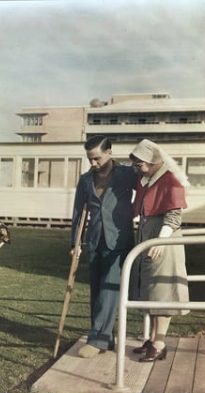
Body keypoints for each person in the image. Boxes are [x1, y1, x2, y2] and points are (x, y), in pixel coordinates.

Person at [71, 135, 137, 358]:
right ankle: (105, 338)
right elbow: (79, 213)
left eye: (97, 158)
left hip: (119, 240)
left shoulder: (128, 174)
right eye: (90, 159)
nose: (93, 163)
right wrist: (75, 243)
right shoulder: (85, 179)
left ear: (109, 152)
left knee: (109, 288)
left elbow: (148, 188)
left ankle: (97, 339)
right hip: (94, 239)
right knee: (97, 290)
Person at [129, 139, 189, 362]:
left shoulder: (169, 181)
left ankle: (160, 343)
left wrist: (161, 241)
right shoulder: (148, 179)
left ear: (153, 162)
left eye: (140, 164)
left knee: (162, 290)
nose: (137, 168)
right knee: (151, 289)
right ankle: (153, 338)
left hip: (163, 238)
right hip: (148, 234)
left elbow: (174, 216)